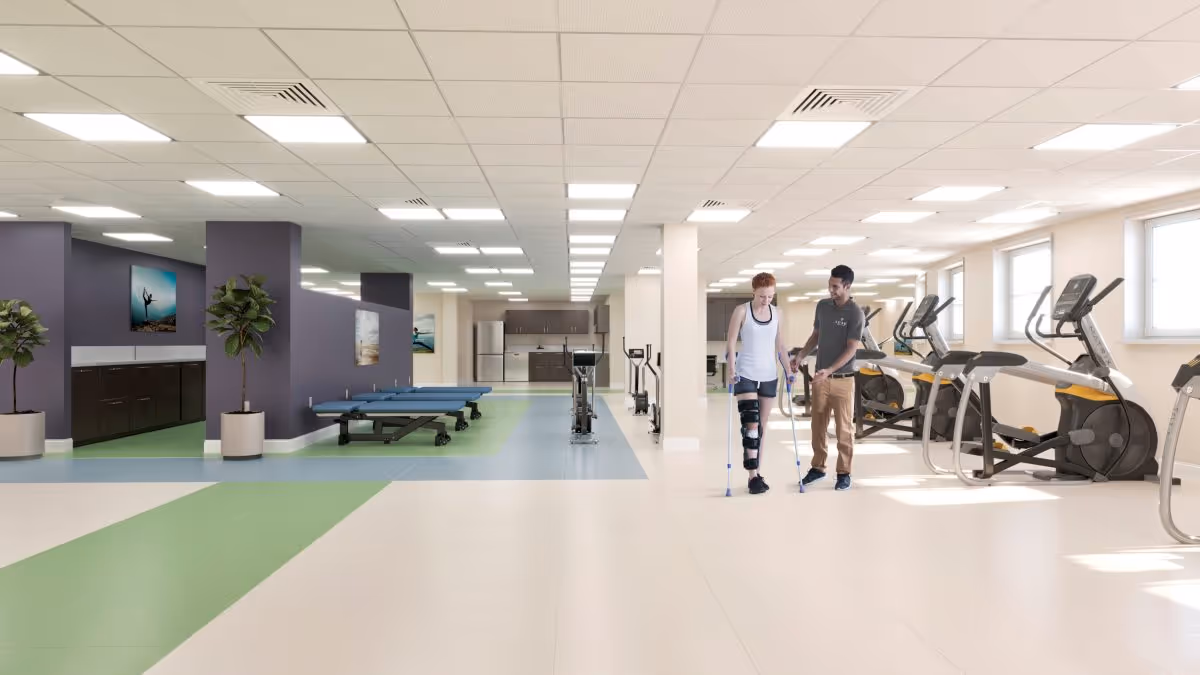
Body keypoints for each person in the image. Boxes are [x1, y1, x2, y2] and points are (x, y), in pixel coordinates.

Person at [791, 265, 864, 491]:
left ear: (847, 286)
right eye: (829, 285)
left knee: (844, 430)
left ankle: (844, 473)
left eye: (835, 286)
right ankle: (818, 468)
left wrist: (830, 369)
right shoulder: (822, 307)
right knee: (817, 427)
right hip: (820, 378)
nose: (830, 290)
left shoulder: (855, 313)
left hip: (843, 380)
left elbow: (852, 348)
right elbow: (816, 335)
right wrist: (801, 355)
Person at [727, 272, 793, 495]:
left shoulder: (778, 313)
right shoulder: (741, 311)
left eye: (771, 296)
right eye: (763, 296)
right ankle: (752, 474)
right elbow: (730, 344)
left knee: (761, 428)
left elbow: (780, 345)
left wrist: (789, 369)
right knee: (751, 424)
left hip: (768, 375)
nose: (767, 301)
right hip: (745, 373)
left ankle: (757, 472)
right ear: (754, 291)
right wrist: (731, 370)